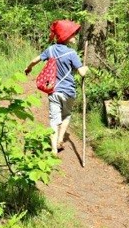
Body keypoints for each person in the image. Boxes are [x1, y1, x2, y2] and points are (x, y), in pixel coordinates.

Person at [24, 19, 89, 155]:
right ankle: (60, 139)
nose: (74, 37)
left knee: (54, 120)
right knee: (66, 115)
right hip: (68, 92)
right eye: (72, 34)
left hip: (53, 90)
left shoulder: (51, 49)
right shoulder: (72, 54)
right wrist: (86, 68)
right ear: (66, 36)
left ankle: (54, 148)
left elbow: (34, 60)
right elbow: (81, 72)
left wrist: (28, 68)